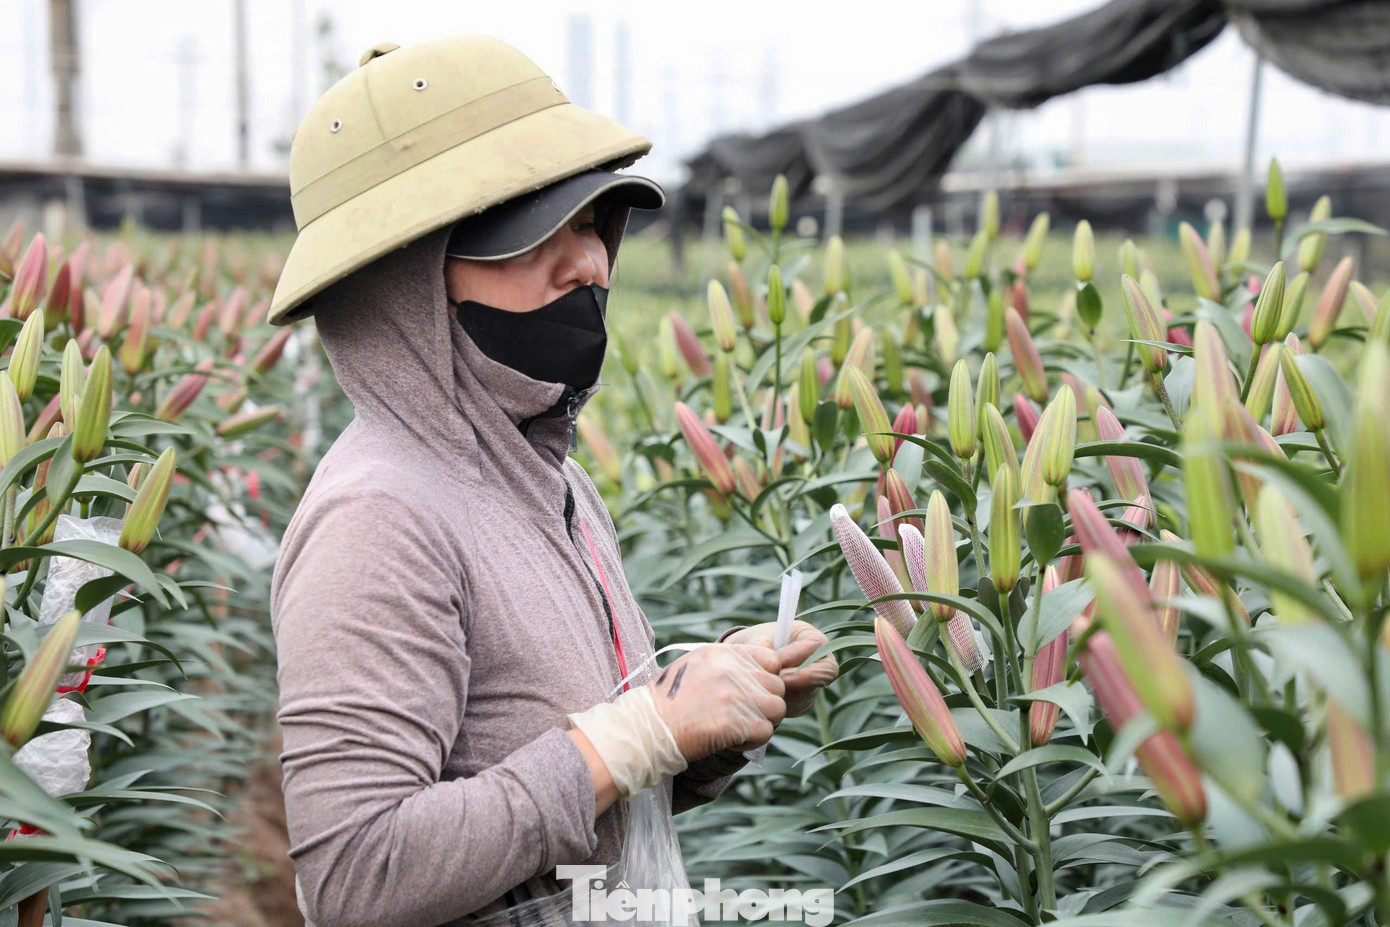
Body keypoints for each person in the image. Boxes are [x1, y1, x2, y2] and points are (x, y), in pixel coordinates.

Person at [266, 34, 839, 927]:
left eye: (591, 226)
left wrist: (701, 722)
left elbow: (573, 815)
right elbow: (358, 877)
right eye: (534, 234)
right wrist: (632, 735)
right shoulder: (380, 515)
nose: (592, 266)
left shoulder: (548, 481)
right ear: (405, 285)